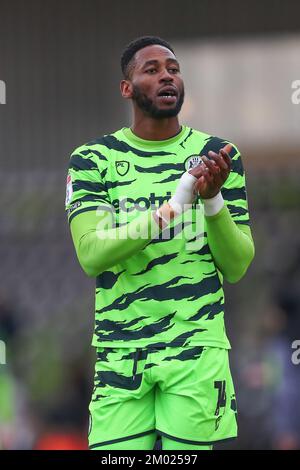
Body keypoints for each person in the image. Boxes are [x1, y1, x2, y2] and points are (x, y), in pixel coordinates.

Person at [65, 36, 255, 451]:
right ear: (127, 88)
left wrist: (212, 200)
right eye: (151, 70)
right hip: (121, 351)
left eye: (173, 68)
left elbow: (237, 265)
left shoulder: (217, 156)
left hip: (196, 349)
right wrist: (170, 209)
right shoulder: (93, 159)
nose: (166, 75)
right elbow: (92, 254)